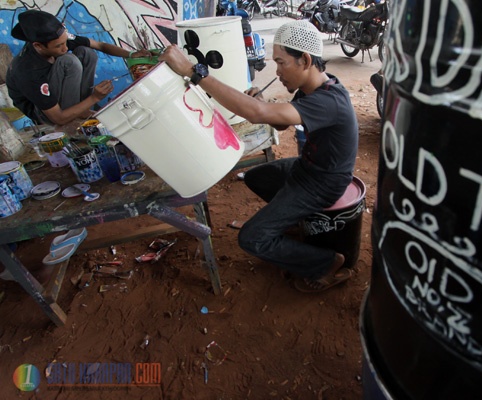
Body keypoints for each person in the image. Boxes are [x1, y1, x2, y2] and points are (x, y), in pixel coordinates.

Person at [159, 19, 359, 293]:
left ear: (305, 60)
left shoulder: (328, 101)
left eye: (281, 62)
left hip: (323, 183)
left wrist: (195, 73)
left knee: (252, 239)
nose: (277, 72)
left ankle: (326, 263)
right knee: (256, 177)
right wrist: (264, 105)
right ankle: (293, 223)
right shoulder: (312, 88)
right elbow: (280, 123)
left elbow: (256, 114)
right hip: (307, 169)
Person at [6, 10, 152, 126]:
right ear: (38, 45)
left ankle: (79, 109)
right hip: (47, 113)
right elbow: (58, 118)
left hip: (62, 96)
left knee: (86, 52)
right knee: (68, 61)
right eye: (58, 46)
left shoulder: (59, 39)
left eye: (65, 42)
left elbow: (100, 45)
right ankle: (77, 113)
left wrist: (132, 54)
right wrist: (95, 97)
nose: (65, 47)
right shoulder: (27, 71)